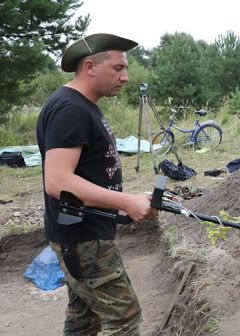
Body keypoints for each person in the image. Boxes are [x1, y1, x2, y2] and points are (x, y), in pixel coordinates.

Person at [36, 33, 157, 335]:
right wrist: (126, 202)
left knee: (84, 319)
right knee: (124, 318)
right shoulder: (71, 109)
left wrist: (127, 200)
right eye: (118, 68)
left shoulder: (81, 104)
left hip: (83, 234)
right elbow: (58, 181)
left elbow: (89, 174)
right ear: (90, 66)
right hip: (83, 240)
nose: (126, 77)